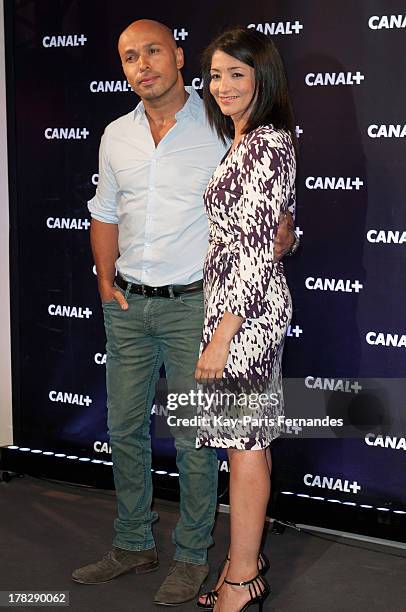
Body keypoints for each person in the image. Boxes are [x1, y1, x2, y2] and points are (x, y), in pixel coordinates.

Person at [71, 19, 296, 607]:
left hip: (199, 305)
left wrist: (280, 241)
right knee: (123, 429)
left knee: (197, 438)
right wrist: (103, 280)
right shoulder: (116, 133)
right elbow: (104, 209)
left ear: (175, 56)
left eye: (152, 52)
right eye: (127, 57)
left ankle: (195, 558)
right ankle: (132, 544)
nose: (141, 65)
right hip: (127, 304)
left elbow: (271, 216)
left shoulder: (224, 125)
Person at [195, 27, 297, 612]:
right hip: (237, 306)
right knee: (242, 443)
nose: (222, 85)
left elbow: (255, 248)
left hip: (246, 316)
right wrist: (290, 235)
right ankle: (247, 563)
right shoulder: (247, 141)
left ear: (263, 77)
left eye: (237, 73)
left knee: (243, 445)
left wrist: (223, 337)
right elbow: (272, 230)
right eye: (215, 74)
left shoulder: (266, 143)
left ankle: (240, 580)